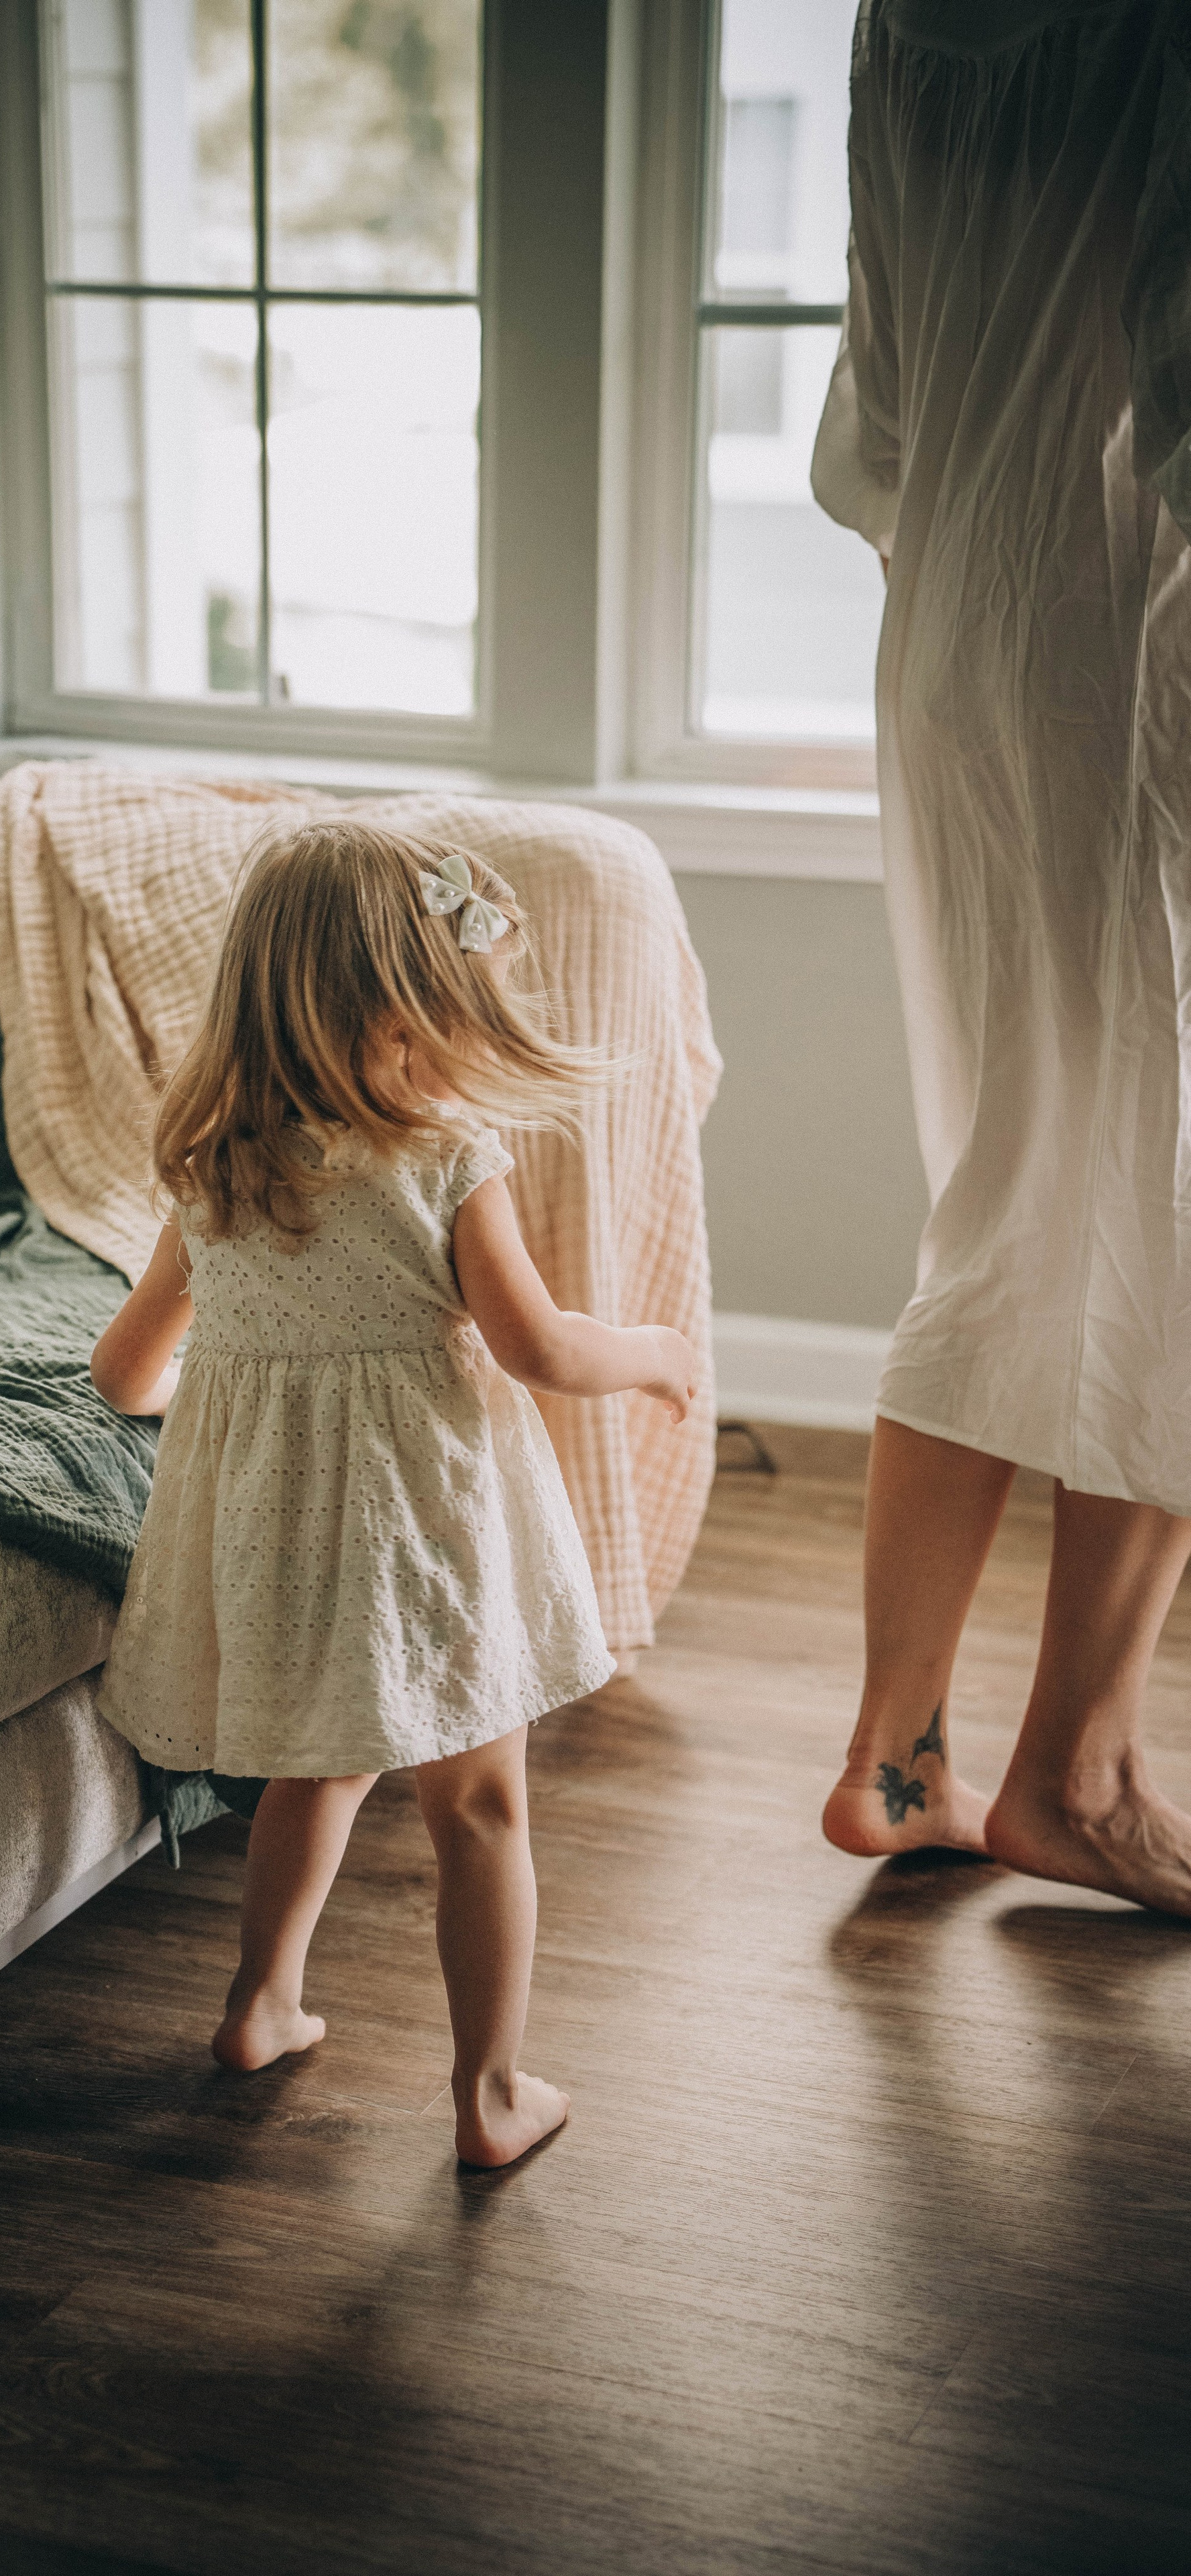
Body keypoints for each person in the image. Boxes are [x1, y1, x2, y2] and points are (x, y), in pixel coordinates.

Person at [89, 820, 695, 2168]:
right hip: (424, 1532)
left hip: (280, 1535)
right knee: (476, 1804)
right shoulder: (442, 1160)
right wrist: (654, 1354)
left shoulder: (215, 1168)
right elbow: (539, 1348)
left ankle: (260, 2004)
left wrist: (222, 1393)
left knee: (316, 1766)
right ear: (397, 1009)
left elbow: (122, 1374)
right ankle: (490, 2095)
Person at [811, 2, 1191, 1907]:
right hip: (1131, 628)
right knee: (1159, 1220)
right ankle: (1080, 1774)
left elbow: (875, 405)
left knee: (1008, 1194)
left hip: (957, 623)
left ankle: (901, 1758)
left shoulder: (911, 13)